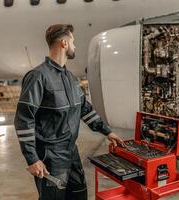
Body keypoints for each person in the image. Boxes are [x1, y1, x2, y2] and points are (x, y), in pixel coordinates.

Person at [14, 24, 125, 200]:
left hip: (71, 153)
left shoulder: (70, 78)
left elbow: (85, 109)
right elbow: (23, 119)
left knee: (79, 195)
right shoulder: (38, 77)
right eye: (73, 41)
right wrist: (32, 158)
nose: (75, 46)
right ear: (64, 43)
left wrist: (107, 132)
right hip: (50, 157)